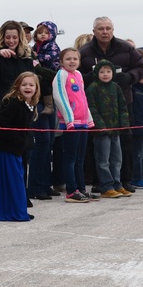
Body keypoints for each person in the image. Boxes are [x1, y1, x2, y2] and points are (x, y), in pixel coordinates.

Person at [77, 17, 143, 192]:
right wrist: (91, 78)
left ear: (113, 29)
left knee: (125, 141)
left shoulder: (126, 48)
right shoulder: (84, 52)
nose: (105, 32)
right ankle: (99, 182)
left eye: (108, 28)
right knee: (98, 144)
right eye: (101, 29)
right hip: (96, 106)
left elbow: (141, 67)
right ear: (94, 31)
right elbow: (76, 74)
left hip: (122, 102)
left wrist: (130, 77)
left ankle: (124, 180)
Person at [0, 72, 39, 222]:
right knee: (12, 181)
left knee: (17, 180)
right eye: (24, 84)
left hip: (16, 149)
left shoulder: (29, 104)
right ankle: (11, 211)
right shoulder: (12, 102)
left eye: (31, 85)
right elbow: (4, 126)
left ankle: (17, 209)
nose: (28, 87)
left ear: (36, 88)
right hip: (6, 149)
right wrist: (19, 142)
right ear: (17, 86)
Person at [0, 20, 35, 138]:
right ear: (2, 37)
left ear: (20, 37)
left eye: (14, 37)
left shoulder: (26, 56)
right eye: (8, 37)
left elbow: (33, 81)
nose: (11, 41)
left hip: (21, 107)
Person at [53, 48, 95, 202]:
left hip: (82, 123)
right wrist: (69, 119)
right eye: (68, 59)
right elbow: (60, 97)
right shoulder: (61, 75)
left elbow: (83, 98)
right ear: (62, 61)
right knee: (70, 157)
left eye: (75, 59)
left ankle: (81, 188)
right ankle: (71, 190)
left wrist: (88, 119)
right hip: (71, 123)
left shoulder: (78, 75)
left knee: (80, 158)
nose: (72, 61)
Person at [86, 61, 131, 198]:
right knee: (103, 160)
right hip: (102, 132)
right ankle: (106, 186)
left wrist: (124, 124)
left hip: (115, 130)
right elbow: (91, 109)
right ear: (96, 73)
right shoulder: (92, 88)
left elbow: (123, 106)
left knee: (117, 159)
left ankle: (117, 184)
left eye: (108, 72)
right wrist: (100, 126)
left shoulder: (116, 87)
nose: (105, 74)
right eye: (102, 72)